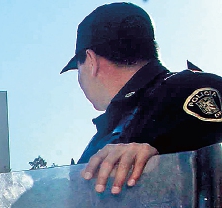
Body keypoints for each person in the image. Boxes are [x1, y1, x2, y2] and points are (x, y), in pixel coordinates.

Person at [64, 2, 222, 194]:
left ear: (91, 61)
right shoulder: (194, 85)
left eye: (77, 69)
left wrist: (161, 161)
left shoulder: (190, 88)